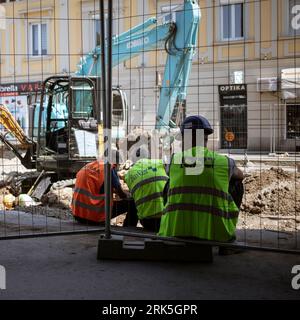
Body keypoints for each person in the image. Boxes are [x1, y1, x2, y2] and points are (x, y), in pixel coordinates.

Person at [158, 115, 244, 242]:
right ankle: (227, 238)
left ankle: (173, 224)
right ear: (205, 138)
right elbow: (240, 175)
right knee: (236, 183)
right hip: (215, 233)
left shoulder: (174, 160)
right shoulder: (223, 161)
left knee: (169, 183)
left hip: (176, 231)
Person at [71, 159, 137, 226]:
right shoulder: (109, 168)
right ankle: (129, 230)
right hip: (94, 216)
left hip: (78, 214)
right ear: (116, 163)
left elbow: (96, 188)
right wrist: (129, 195)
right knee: (132, 204)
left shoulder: (89, 166)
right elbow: (121, 193)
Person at [125, 158, 168, 232]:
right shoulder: (159, 163)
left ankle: (128, 230)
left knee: (132, 202)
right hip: (166, 216)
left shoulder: (129, 175)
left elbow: (133, 194)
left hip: (147, 221)